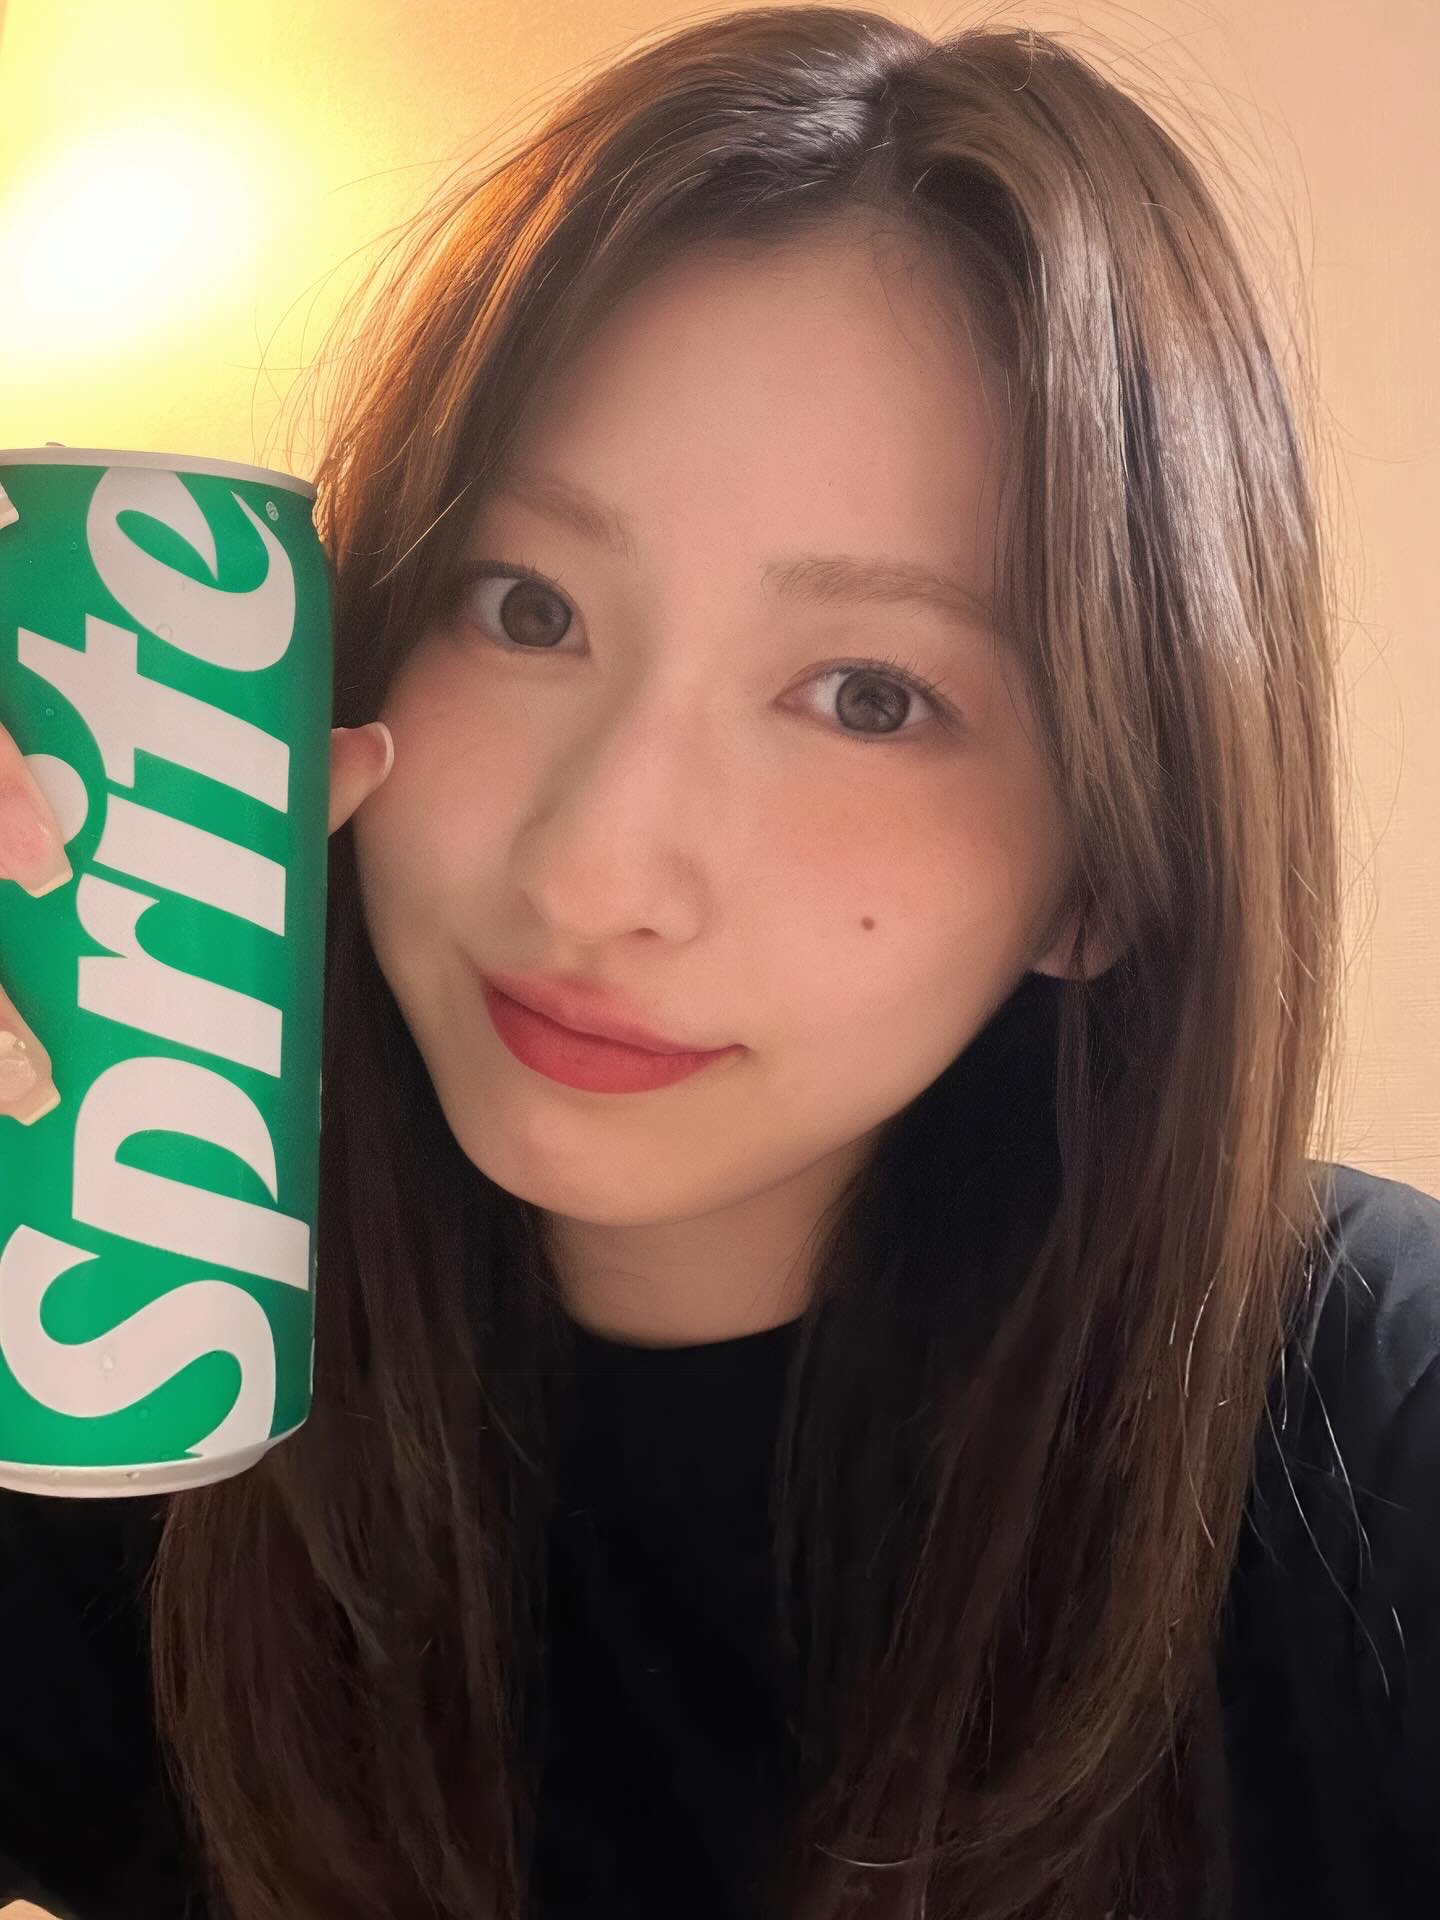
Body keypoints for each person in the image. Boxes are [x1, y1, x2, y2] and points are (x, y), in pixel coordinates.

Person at [1, 8, 1437, 1919]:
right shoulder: (132, 1324)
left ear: (1110, 867)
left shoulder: (1372, 1427)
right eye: (528, 607)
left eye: (870, 697)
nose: (596, 870)